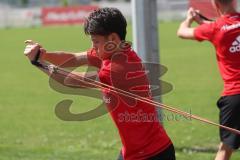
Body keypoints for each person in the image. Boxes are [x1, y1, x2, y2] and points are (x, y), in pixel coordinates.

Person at [24, 7, 175, 160]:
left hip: (153, 154)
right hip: (134, 151)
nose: (93, 47)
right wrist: (45, 55)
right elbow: (74, 58)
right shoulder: (115, 52)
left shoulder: (118, 68)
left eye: (96, 41)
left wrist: (38, 63)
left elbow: (71, 80)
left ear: (113, 39)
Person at [177, 0, 240, 160]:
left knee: (225, 150)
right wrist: (203, 21)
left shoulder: (215, 29)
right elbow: (232, 25)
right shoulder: (216, 27)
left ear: (215, 4)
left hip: (234, 97)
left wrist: (189, 19)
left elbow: (182, 32)